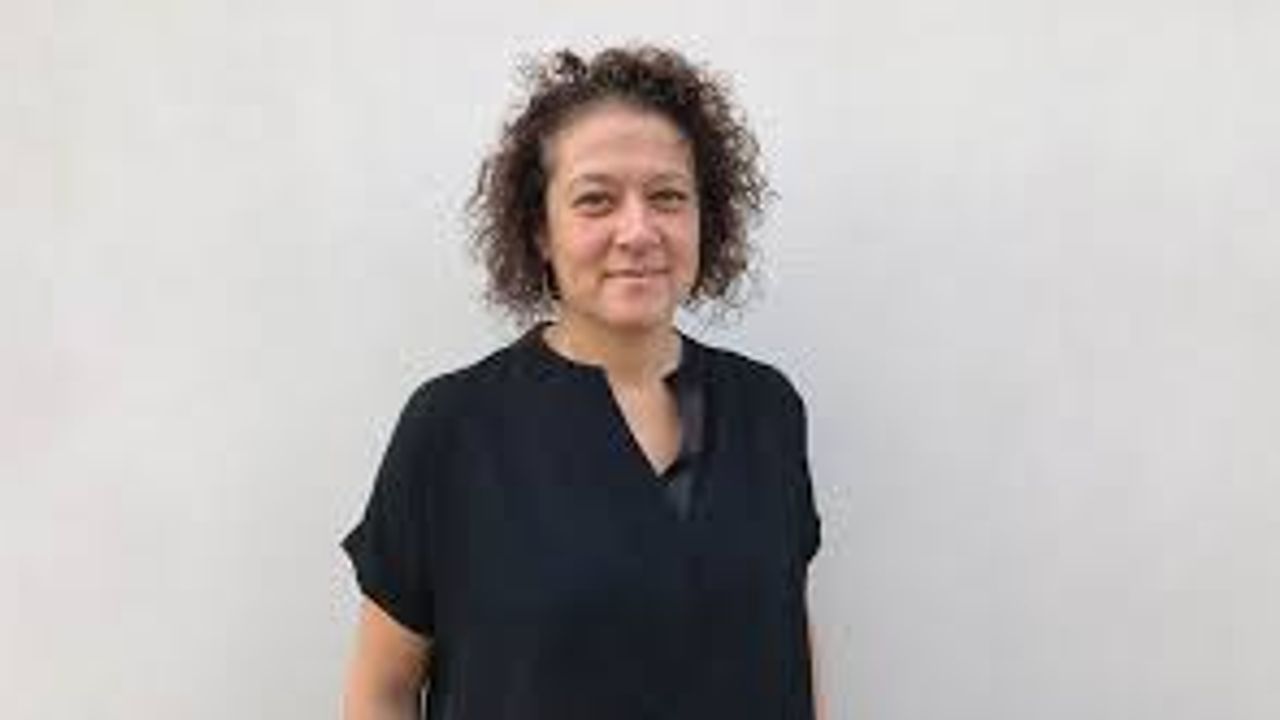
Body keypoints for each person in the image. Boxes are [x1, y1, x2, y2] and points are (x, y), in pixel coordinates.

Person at [341, 45, 822, 719]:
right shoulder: (452, 428)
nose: (638, 231)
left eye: (667, 197)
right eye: (596, 200)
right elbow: (382, 692)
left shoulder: (766, 409)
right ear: (541, 229)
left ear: (703, 216)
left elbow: (789, 651)